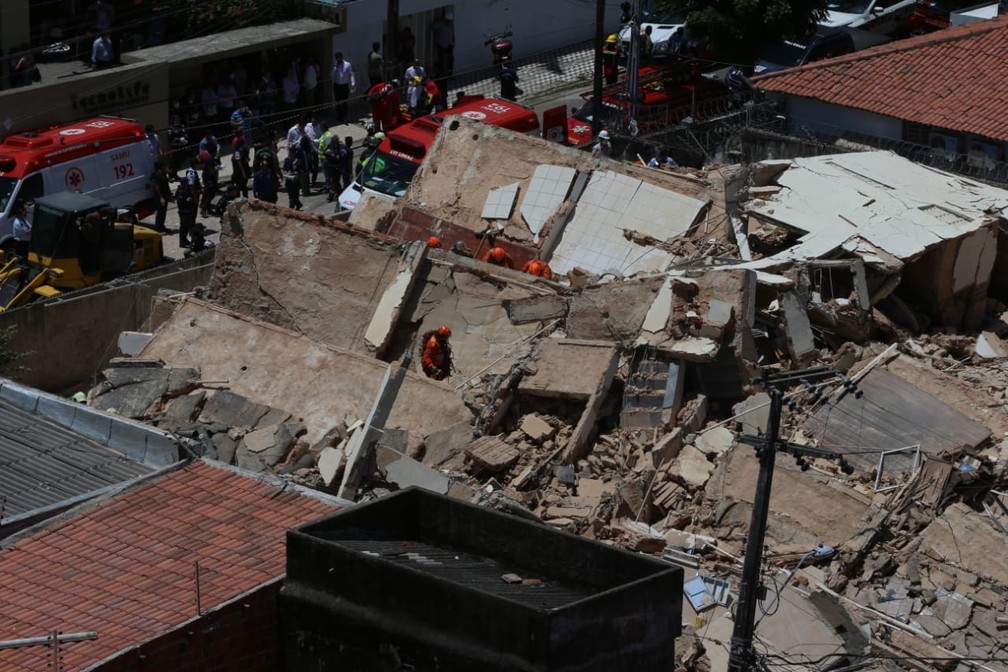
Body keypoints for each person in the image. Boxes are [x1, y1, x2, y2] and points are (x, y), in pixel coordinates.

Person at [331, 52, 356, 124]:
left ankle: (345, 117)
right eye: (336, 58)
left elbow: (351, 74)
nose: (337, 59)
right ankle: (339, 116)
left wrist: (353, 83)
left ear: (341, 57)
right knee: (338, 101)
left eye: (338, 58)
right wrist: (335, 67)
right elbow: (331, 75)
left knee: (345, 102)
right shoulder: (335, 65)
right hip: (337, 85)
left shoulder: (347, 64)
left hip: (344, 85)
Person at [431, 10, 455, 76]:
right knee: (442, 60)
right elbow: (432, 26)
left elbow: (452, 34)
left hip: (449, 45)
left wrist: (453, 42)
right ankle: (442, 74)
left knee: (450, 59)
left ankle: (449, 73)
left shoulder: (451, 24)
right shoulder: (441, 23)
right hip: (441, 45)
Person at [151, 161, 171, 232]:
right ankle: (158, 228)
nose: (165, 167)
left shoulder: (163, 174)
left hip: (164, 196)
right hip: (160, 197)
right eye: (164, 166)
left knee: (163, 213)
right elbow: (157, 187)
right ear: (161, 167)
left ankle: (161, 226)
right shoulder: (158, 176)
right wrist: (161, 197)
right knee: (160, 213)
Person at [167, 115, 188, 180]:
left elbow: (185, 134)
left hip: (181, 147)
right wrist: (179, 139)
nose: (178, 120)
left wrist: (185, 137)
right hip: (174, 148)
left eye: (178, 119)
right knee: (173, 163)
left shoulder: (181, 126)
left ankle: (175, 174)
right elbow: (171, 138)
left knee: (178, 163)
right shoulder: (171, 128)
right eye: (176, 119)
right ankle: (170, 176)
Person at [230, 134, 250, 199]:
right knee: (240, 184)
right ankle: (239, 197)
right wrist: (243, 172)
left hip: (243, 167)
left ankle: (244, 197)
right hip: (240, 169)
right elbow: (238, 162)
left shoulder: (242, 150)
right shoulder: (238, 151)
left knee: (243, 184)